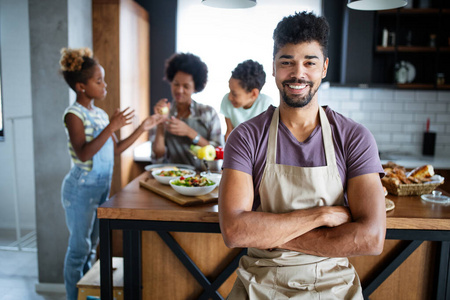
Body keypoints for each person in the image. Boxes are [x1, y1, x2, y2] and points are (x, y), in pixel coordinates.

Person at [219, 12, 386, 299]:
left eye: (310, 62)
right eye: (287, 62)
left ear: (324, 68)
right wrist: (322, 215)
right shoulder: (245, 137)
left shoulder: (354, 137)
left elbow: (370, 239)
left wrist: (271, 235)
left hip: (333, 284)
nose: (298, 73)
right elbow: (235, 231)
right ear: (274, 67)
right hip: (260, 281)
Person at [59, 47, 164, 300]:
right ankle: (74, 296)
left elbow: (115, 149)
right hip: (80, 189)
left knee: (91, 246)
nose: (104, 85)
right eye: (99, 80)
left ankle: (84, 291)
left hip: (99, 188)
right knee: (78, 249)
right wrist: (111, 126)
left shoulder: (100, 114)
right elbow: (84, 153)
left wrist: (142, 127)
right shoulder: (74, 115)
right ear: (81, 86)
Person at [151, 52, 223, 167]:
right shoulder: (164, 112)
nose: (179, 90)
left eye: (186, 86)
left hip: (203, 179)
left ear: (195, 88)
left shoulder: (209, 113)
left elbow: (217, 154)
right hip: (172, 178)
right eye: (176, 84)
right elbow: (158, 155)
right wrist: (160, 123)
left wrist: (189, 132)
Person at [220, 59, 275, 141]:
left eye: (234, 94)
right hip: (237, 145)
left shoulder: (266, 105)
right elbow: (229, 132)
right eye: (230, 90)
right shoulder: (227, 101)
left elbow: (266, 138)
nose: (230, 97)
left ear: (253, 94)